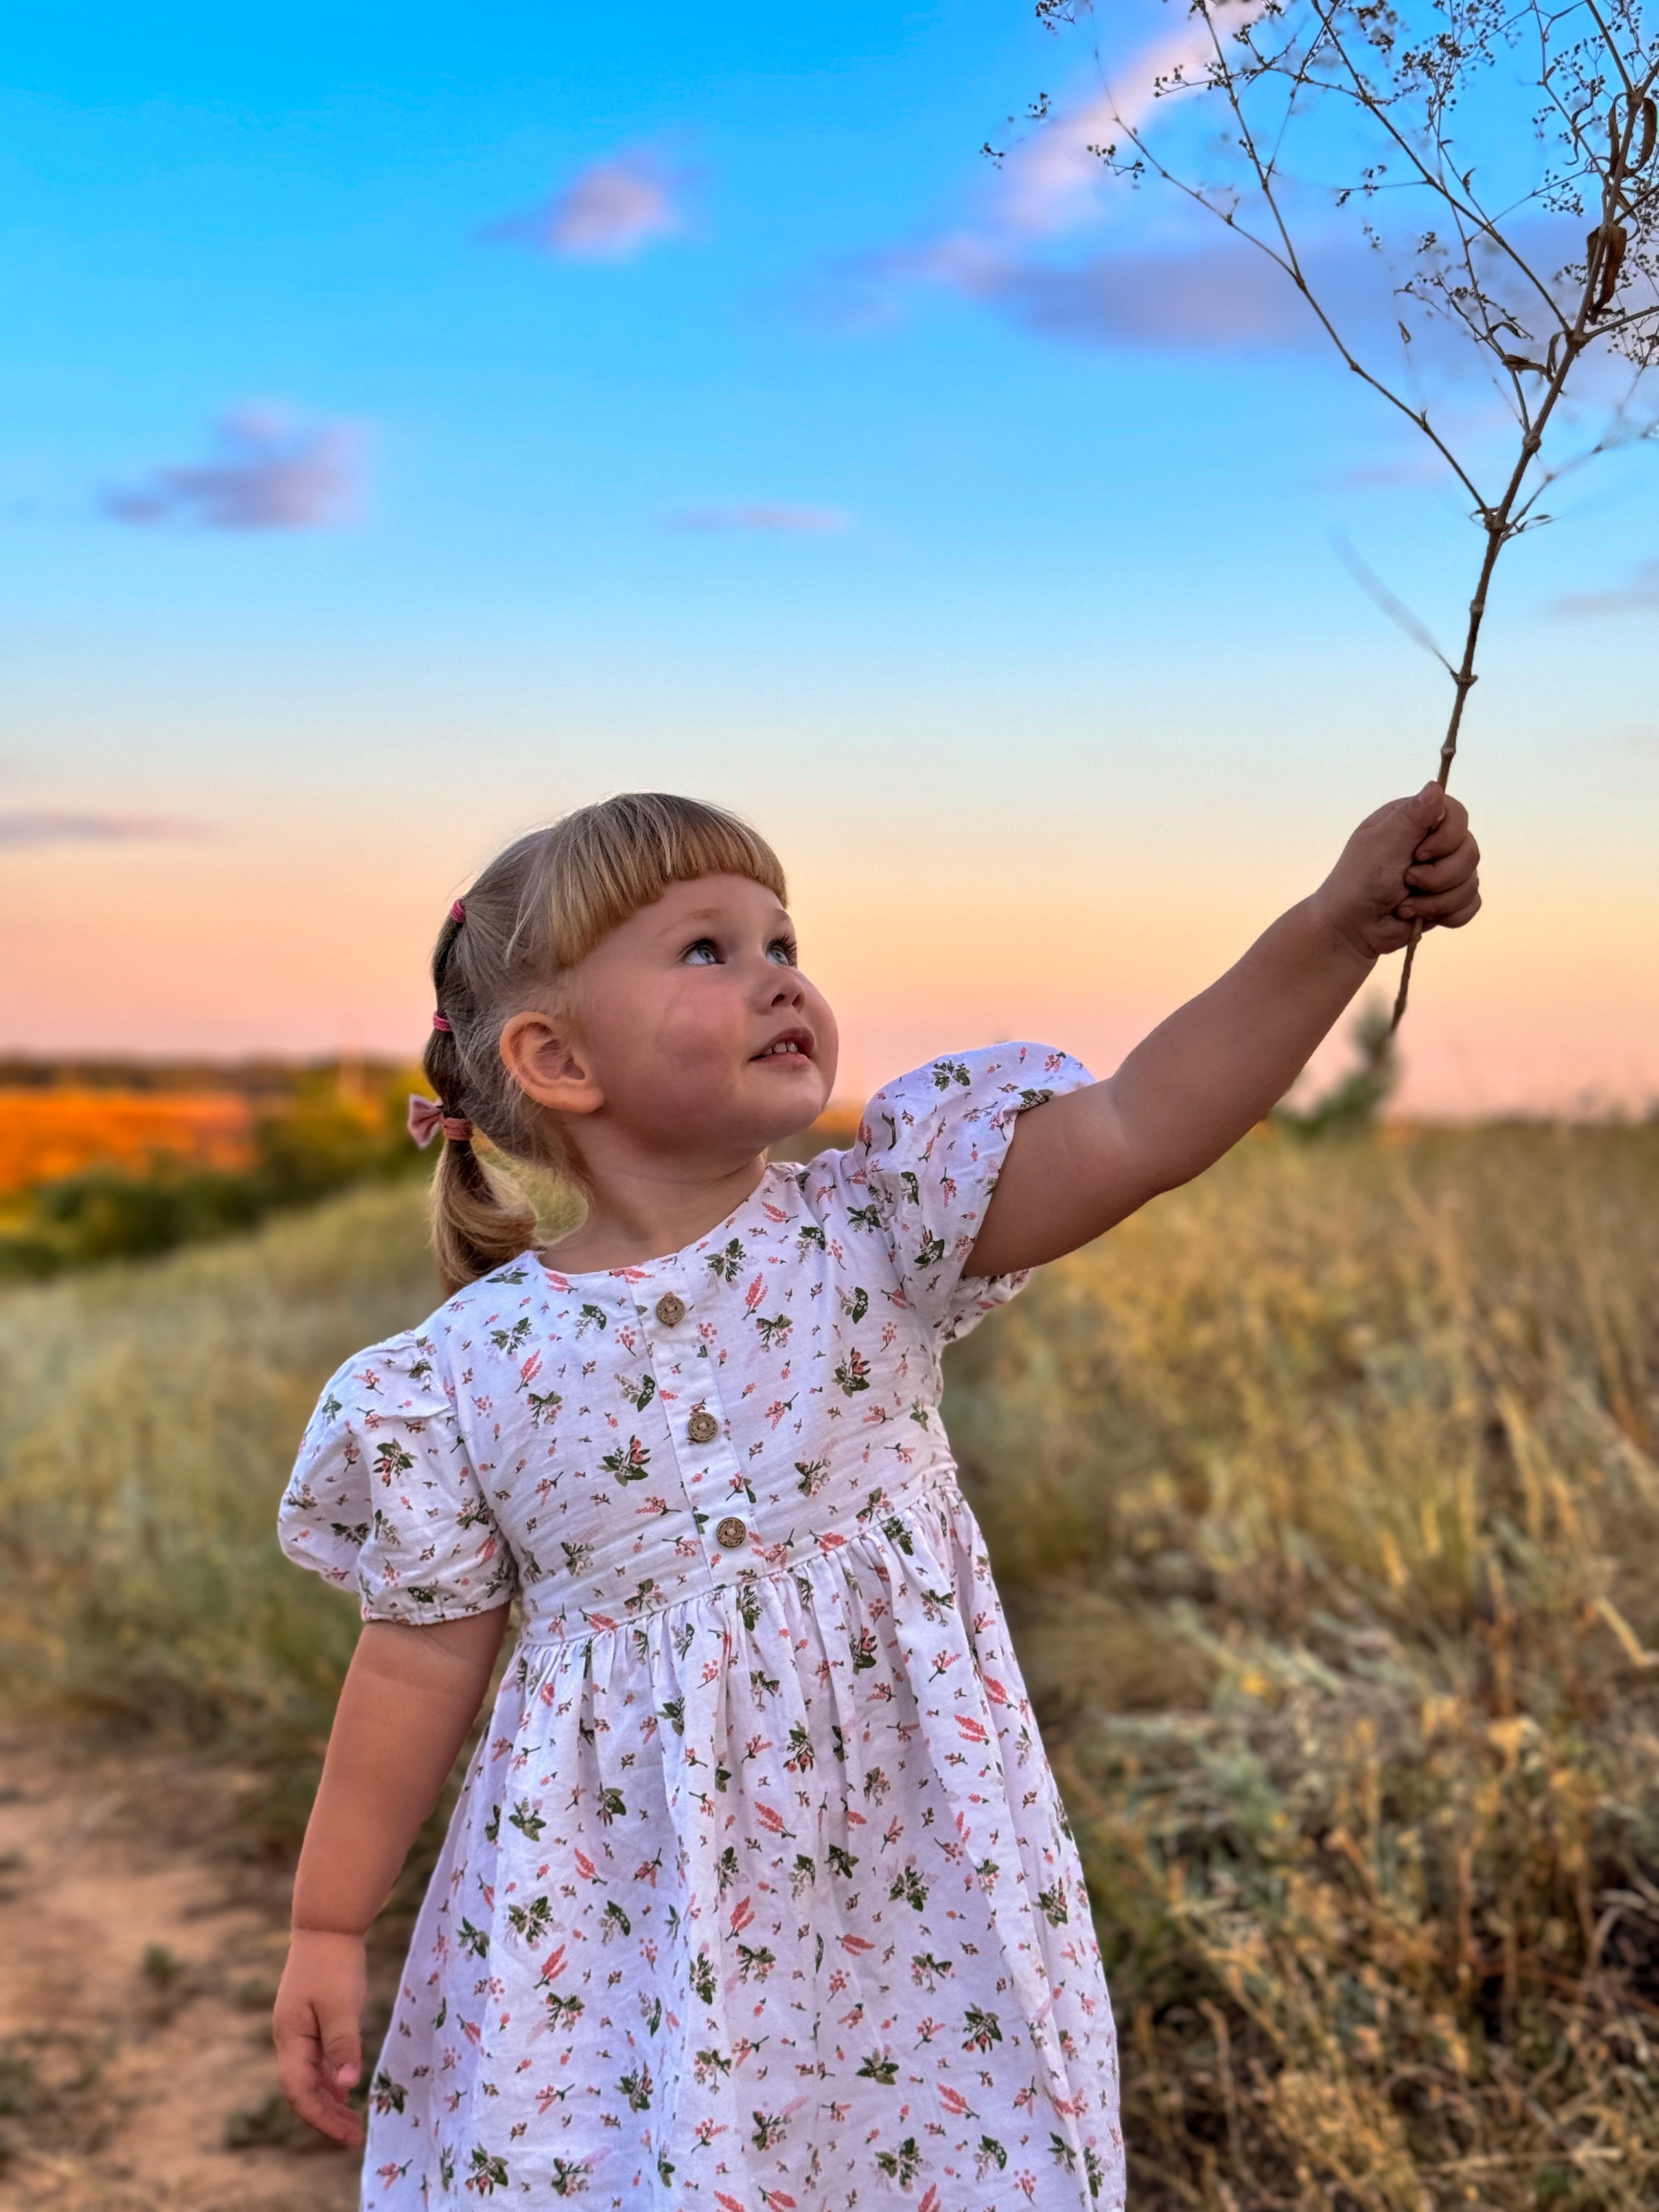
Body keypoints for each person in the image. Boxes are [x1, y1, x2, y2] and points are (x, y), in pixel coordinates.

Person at [273, 786, 1480, 2209]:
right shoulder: (459, 1376)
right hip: (623, 1929)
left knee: (937, 2154)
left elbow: (1139, 1123)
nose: (780, 975)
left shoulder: (872, 1232)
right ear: (555, 1057)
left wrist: (1336, 929)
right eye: (707, 949)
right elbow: (416, 1667)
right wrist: (328, 1921)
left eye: (783, 940)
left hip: (913, 1893)